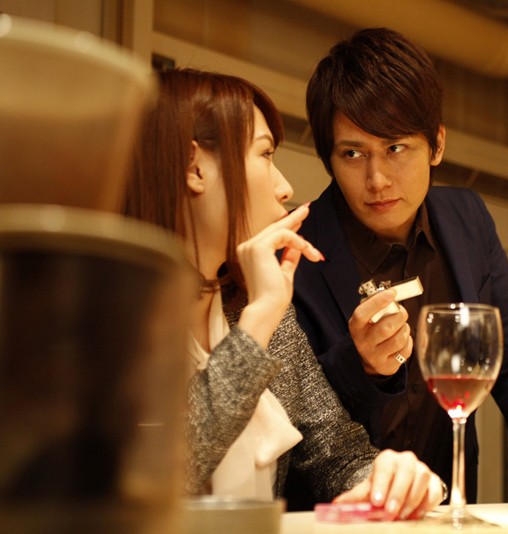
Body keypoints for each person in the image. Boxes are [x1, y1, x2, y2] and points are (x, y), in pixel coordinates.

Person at [292, 27, 508, 504]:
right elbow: (292, 416)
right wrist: (359, 365)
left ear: (437, 145)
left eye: (396, 148)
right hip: (337, 516)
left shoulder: (466, 220)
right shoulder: (295, 249)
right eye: (352, 154)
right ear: (328, 158)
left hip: (448, 507)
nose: (377, 178)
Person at [122, 67, 444, 519]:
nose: (284, 187)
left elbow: (335, 453)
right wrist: (259, 320)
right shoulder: (107, 315)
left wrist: (390, 478)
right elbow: (143, 486)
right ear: (195, 167)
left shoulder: (252, 306)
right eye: (265, 154)